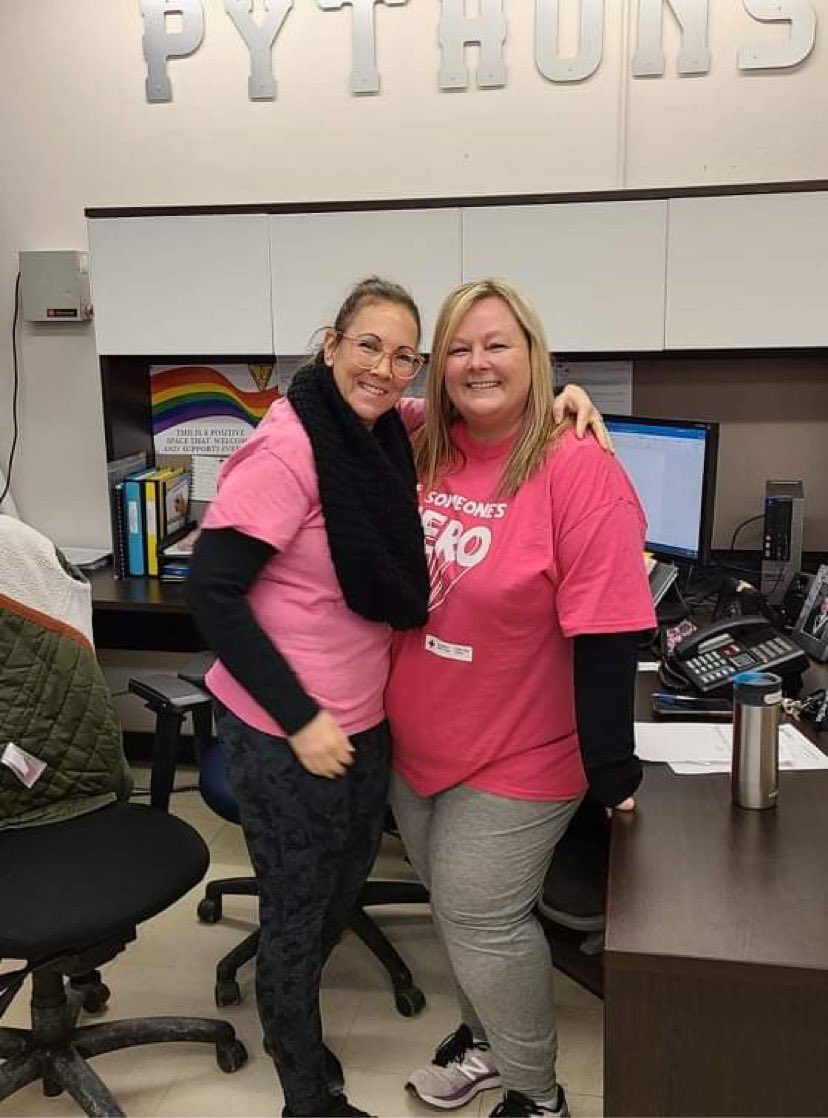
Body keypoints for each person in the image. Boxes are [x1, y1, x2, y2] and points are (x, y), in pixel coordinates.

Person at [186, 276, 603, 1118]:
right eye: (368, 346)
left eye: (404, 355)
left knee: (335, 901)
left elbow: (476, 403)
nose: (384, 368)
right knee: (297, 919)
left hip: (361, 722)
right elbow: (212, 592)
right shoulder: (291, 448)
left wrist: (562, 398)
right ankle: (307, 1098)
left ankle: (304, 1042)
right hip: (286, 729)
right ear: (330, 343)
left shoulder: (380, 431)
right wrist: (301, 720)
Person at [385, 279, 656, 1118]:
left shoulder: (580, 470)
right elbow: (331, 398)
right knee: (453, 912)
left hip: (523, 749)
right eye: (459, 348)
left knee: (481, 919)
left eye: (498, 344)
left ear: (535, 355)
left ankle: (538, 1098)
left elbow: (609, 631)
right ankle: (484, 1046)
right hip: (417, 742)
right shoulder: (419, 439)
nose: (478, 363)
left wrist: (613, 771)